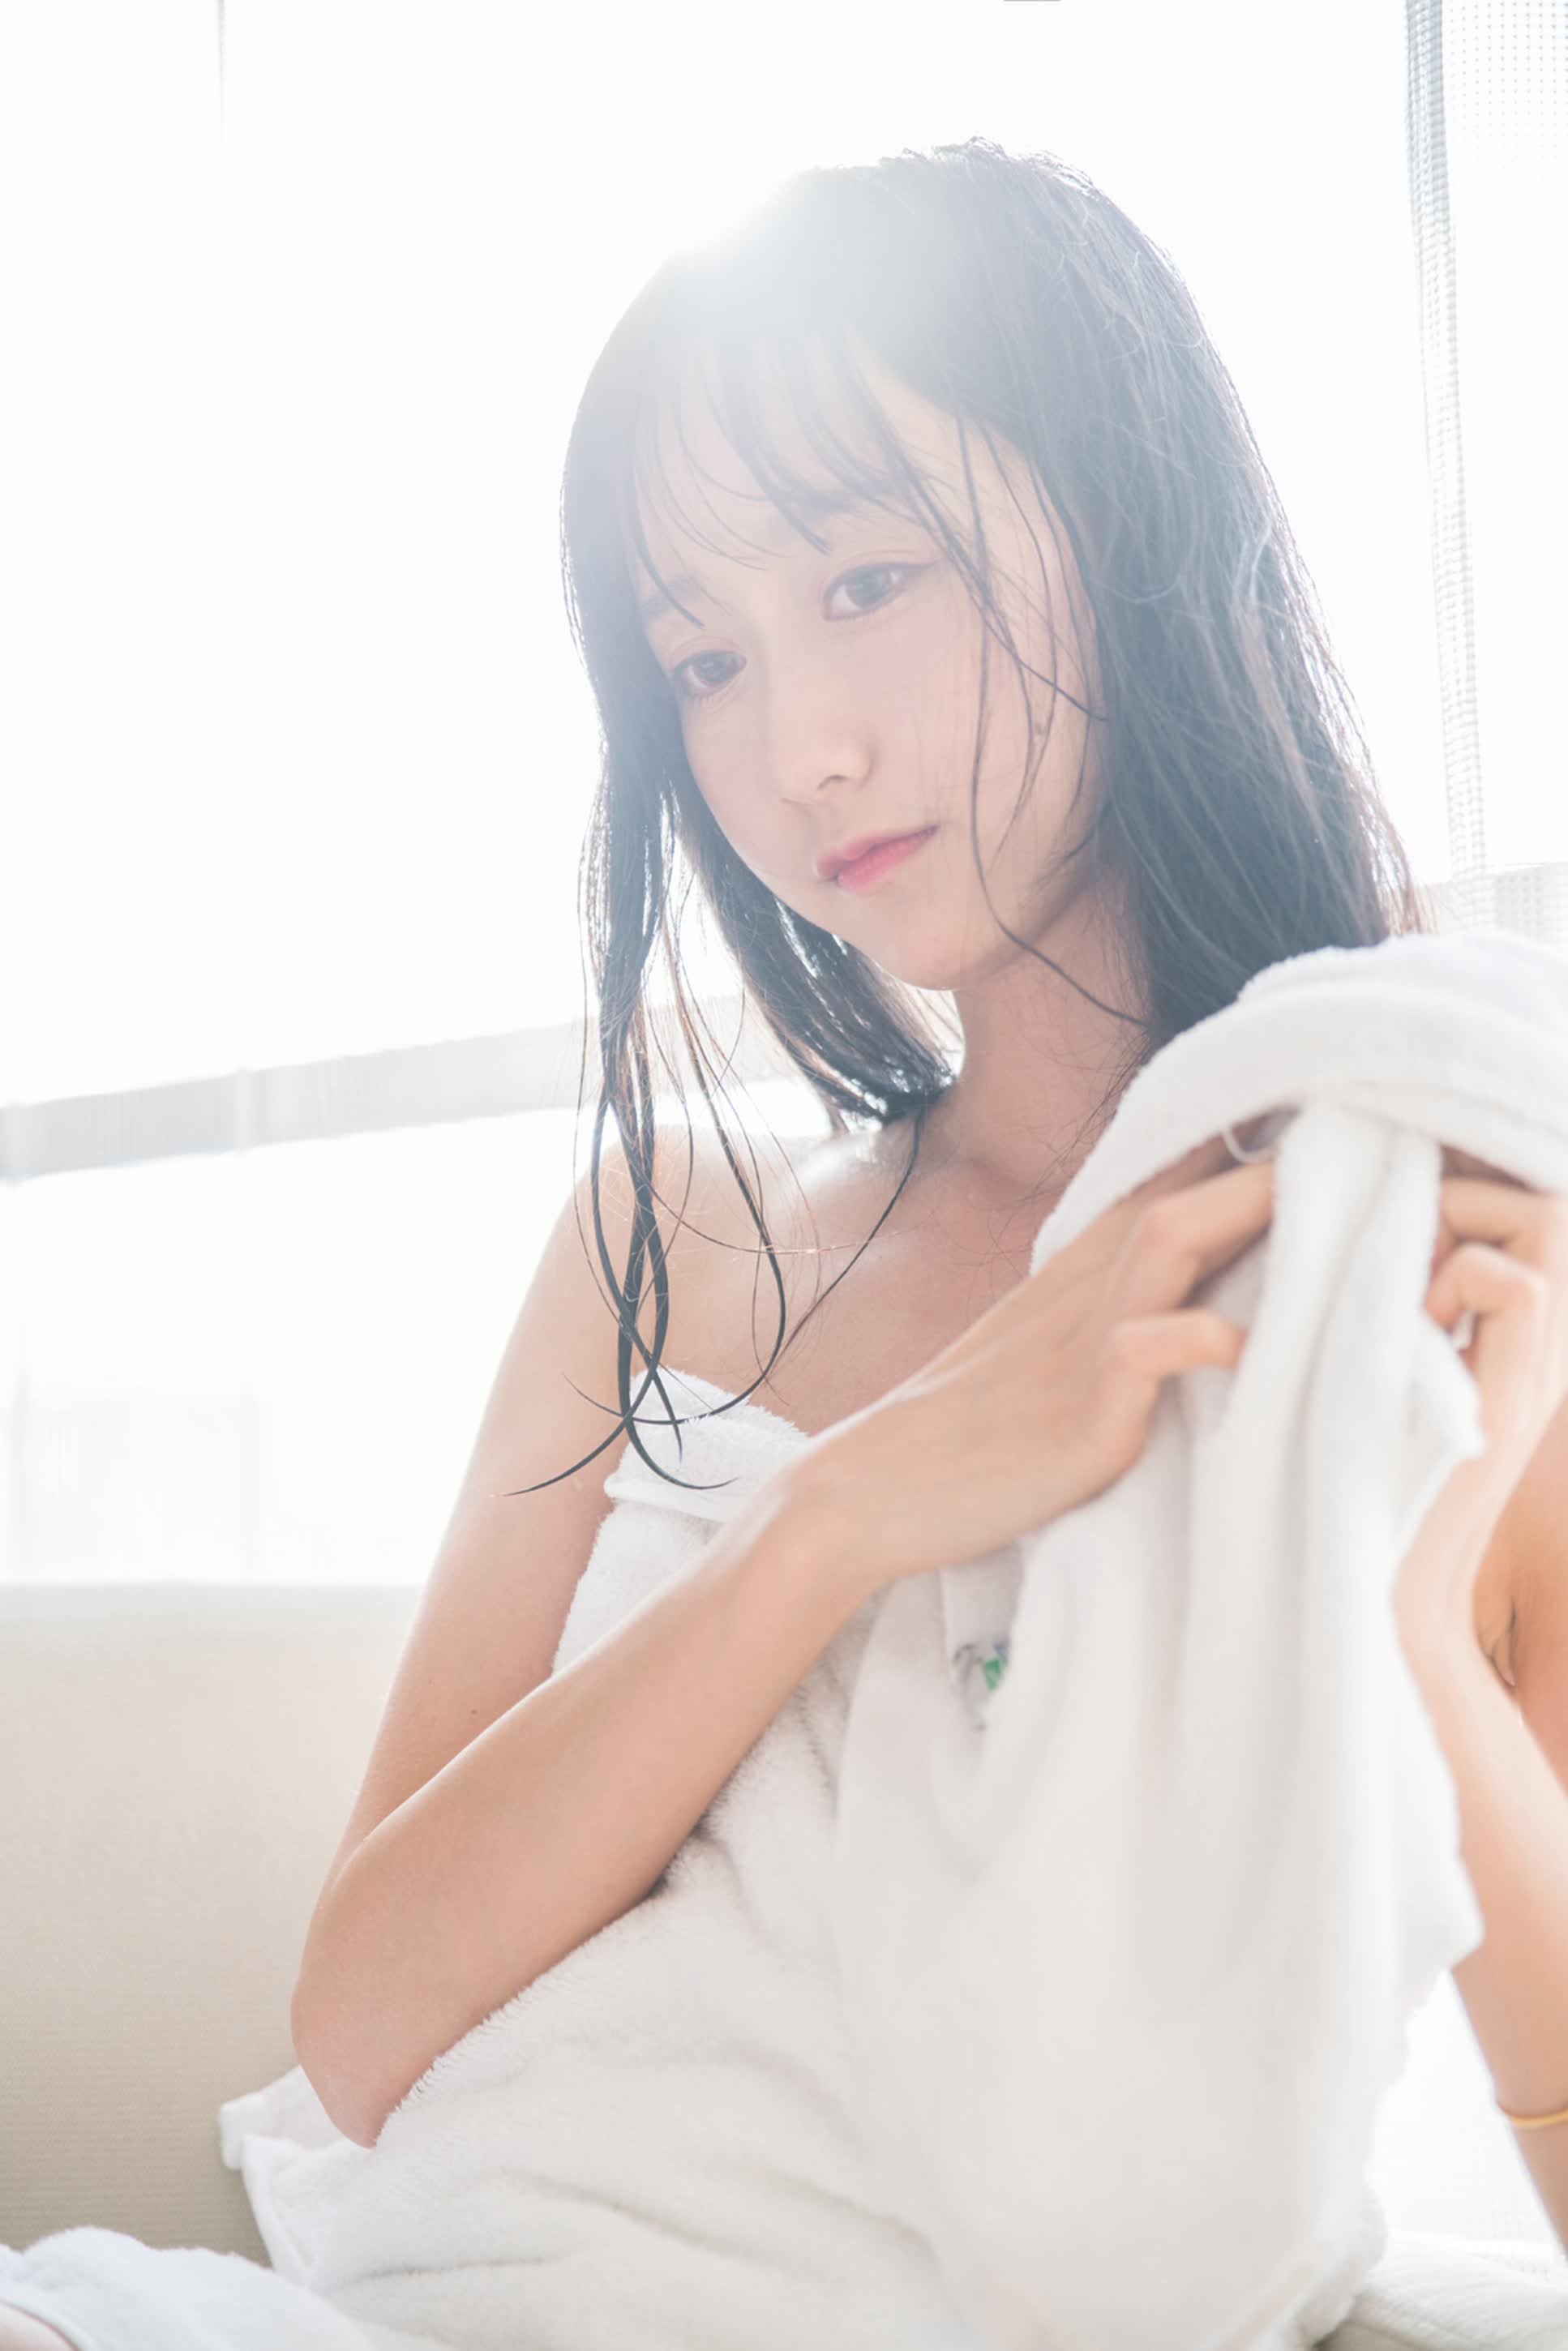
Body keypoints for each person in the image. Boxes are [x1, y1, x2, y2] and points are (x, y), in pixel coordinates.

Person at [8, 133, 1538, 2351]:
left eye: (865, 581)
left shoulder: (1429, 1239)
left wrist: (1410, 1636)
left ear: (1124, 515)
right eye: (703, 660)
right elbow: (359, 2022)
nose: (795, 748)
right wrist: (838, 1516)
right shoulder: (679, 1229)